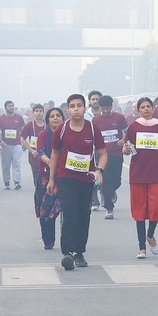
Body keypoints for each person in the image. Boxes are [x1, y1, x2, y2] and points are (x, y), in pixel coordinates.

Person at [49, 93, 103, 273]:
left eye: (79, 105)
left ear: (85, 108)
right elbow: (55, 153)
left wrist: (99, 170)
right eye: (72, 106)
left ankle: (80, 252)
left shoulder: (92, 129)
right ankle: (68, 253)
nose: (76, 109)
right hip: (66, 177)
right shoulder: (62, 129)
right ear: (68, 110)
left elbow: (103, 153)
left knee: (83, 215)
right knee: (69, 213)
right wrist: (52, 179)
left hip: (86, 178)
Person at [124, 97, 158, 259]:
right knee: (139, 212)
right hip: (137, 173)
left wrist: (156, 158)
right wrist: (126, 150)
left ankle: (150, 235)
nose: (146, 109)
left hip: (155, 172)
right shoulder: (133, 127)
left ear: (153, 108)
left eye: (148, 106)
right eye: (142, 107)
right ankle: (142, 248)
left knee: (156, 208)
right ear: (138, 110)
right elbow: (127, 147)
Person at [90, 95, 127, 221]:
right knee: (105, 180)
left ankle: (109, 191)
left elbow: (128, 132)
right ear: (99, 108)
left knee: (116, 181)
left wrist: (124, 140)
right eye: (103, 109)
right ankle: (109, 208)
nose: (105, 111)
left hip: (117, 154)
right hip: (102, 155)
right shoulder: (95, 120)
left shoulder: (119, 117)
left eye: (108, 108)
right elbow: (92, 136)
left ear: (112, 106)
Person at [33, 106, 64, 254]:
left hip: (65, 177)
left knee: (68, 210)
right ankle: (48, 240)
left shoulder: (67, 133)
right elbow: (40, 152)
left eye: (58, 115)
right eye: (52, 116)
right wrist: (51, 162)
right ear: (48, 120)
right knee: (45, 210)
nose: (55, 118)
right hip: (46, 177)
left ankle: (68, 240)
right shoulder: (43, 135)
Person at [0, 100, 27, 192]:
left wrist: (24, 142)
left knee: (17, 162)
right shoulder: (1, 119)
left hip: (17, 144)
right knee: (6, 165)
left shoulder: (19, 118)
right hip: (6, 145)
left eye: (12, 106)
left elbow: (23, 130)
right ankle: (7, 182)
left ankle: (17, 182)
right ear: (5, 108)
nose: (11, 107)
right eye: (9, 106)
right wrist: (1, 141)